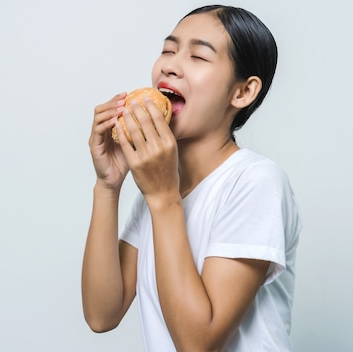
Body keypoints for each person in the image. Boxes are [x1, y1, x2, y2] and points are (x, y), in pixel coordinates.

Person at [82, 5, 302, 351]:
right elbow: (102, 314)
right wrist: (107, 186)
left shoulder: (255, 181)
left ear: (243, 92)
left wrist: (162, 198)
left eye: (198, 56)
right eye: (168, 50)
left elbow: (198, 344)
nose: (169, 64)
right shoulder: (163, 190)